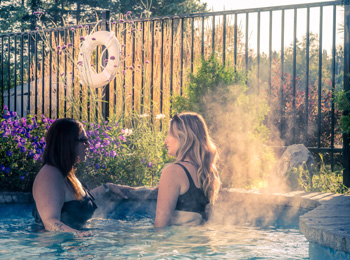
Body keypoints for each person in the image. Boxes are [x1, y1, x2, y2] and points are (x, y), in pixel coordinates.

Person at [32, 118, 132, 236]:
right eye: (84, 140)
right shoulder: (49, 175)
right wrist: (80, 235)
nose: (88, 145)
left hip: (71, 247)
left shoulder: (65, 173)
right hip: (57, 249)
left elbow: (77, 202)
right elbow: (50, 222)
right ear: (68, 143)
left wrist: (107, 187)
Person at [154, 112, 221, 228]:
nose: (166, 140)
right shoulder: (208, 172)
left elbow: (161, 224)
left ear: (183, 137)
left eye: (170, 134)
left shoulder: (173, 172)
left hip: (180, 244)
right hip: (203, 242)